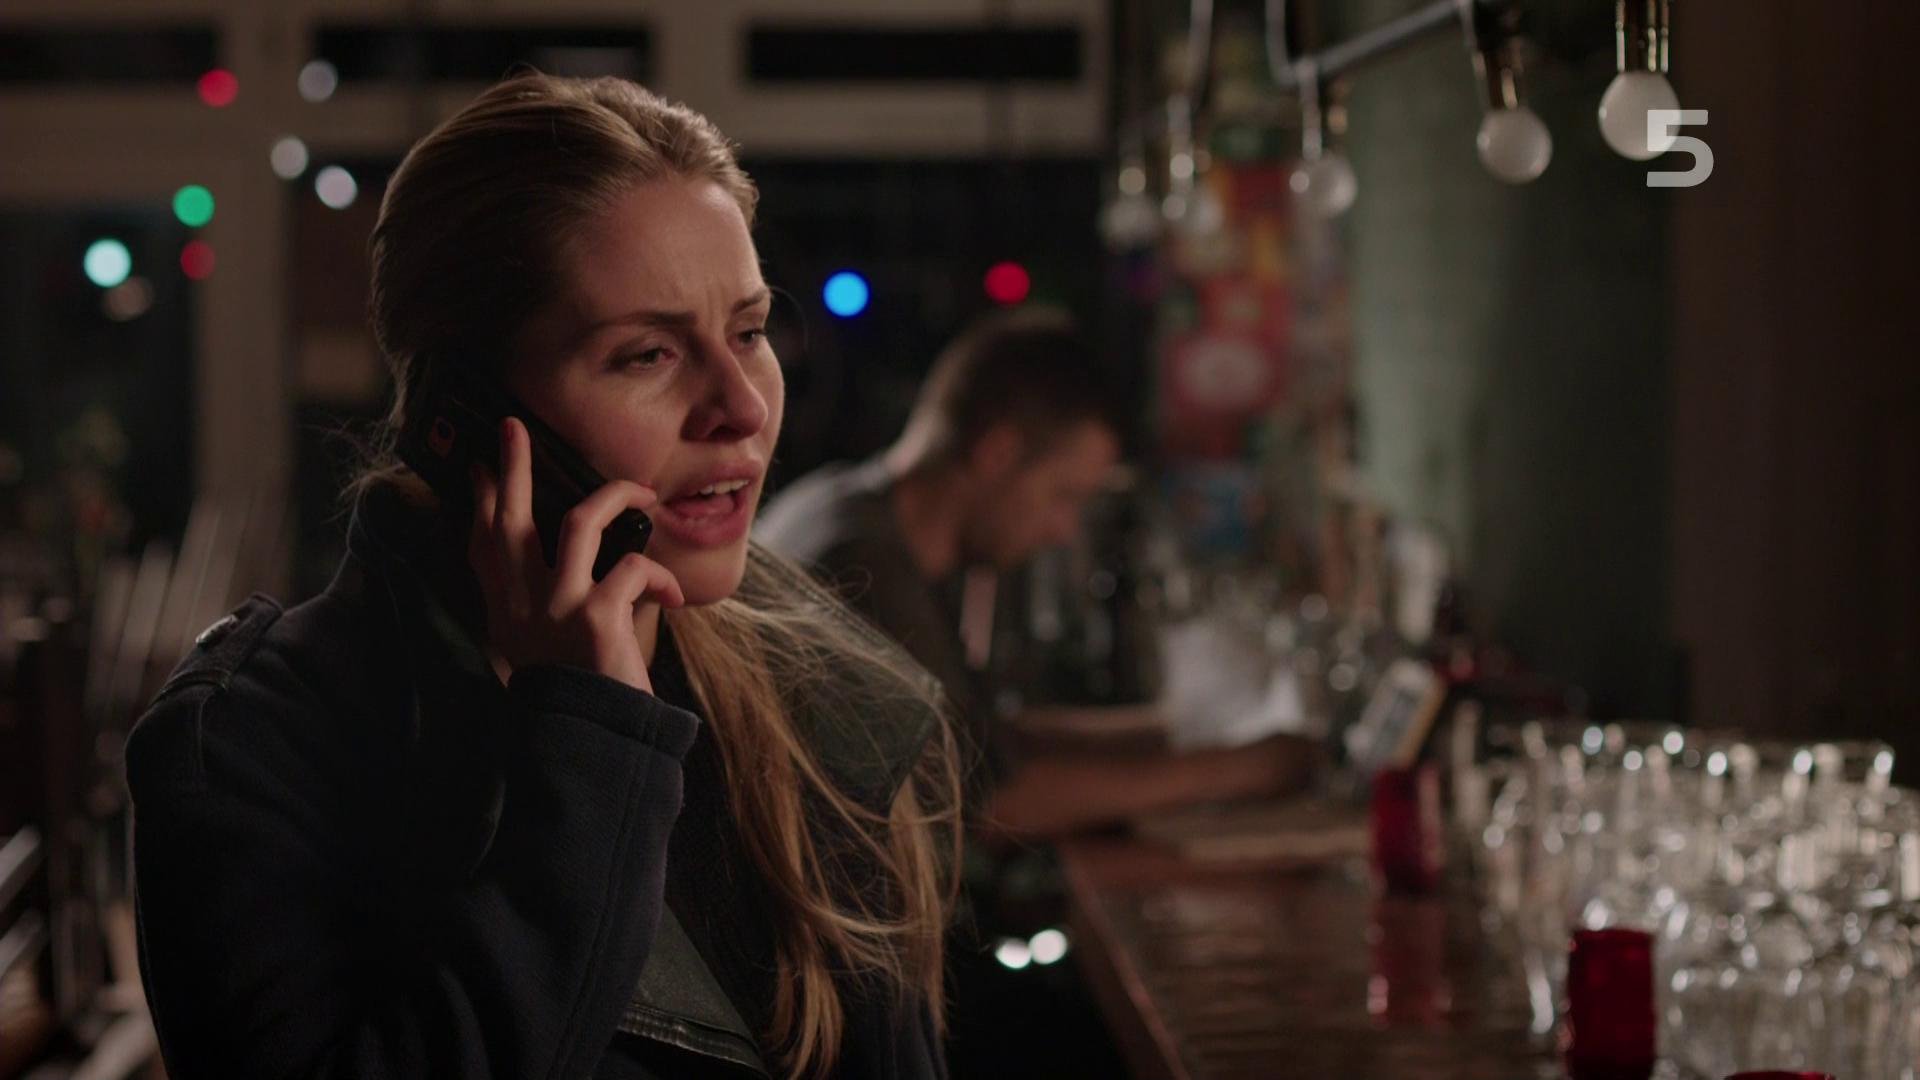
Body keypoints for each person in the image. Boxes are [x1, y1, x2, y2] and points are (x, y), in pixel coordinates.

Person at [125, 74, 961, 1080]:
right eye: (648, 355)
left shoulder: (806, 680)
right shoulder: (251, 747)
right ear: (466, 417)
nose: (742, 407)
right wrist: (591, 742)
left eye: (748, 332)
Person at [757, 311, 1305, 833]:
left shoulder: (850, 508)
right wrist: (1244, 770)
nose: (1063, 531)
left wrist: (1169, 734)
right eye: (1063, 496)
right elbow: (984, 803)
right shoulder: (861, 564)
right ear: (997, 454)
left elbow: (983, 740)